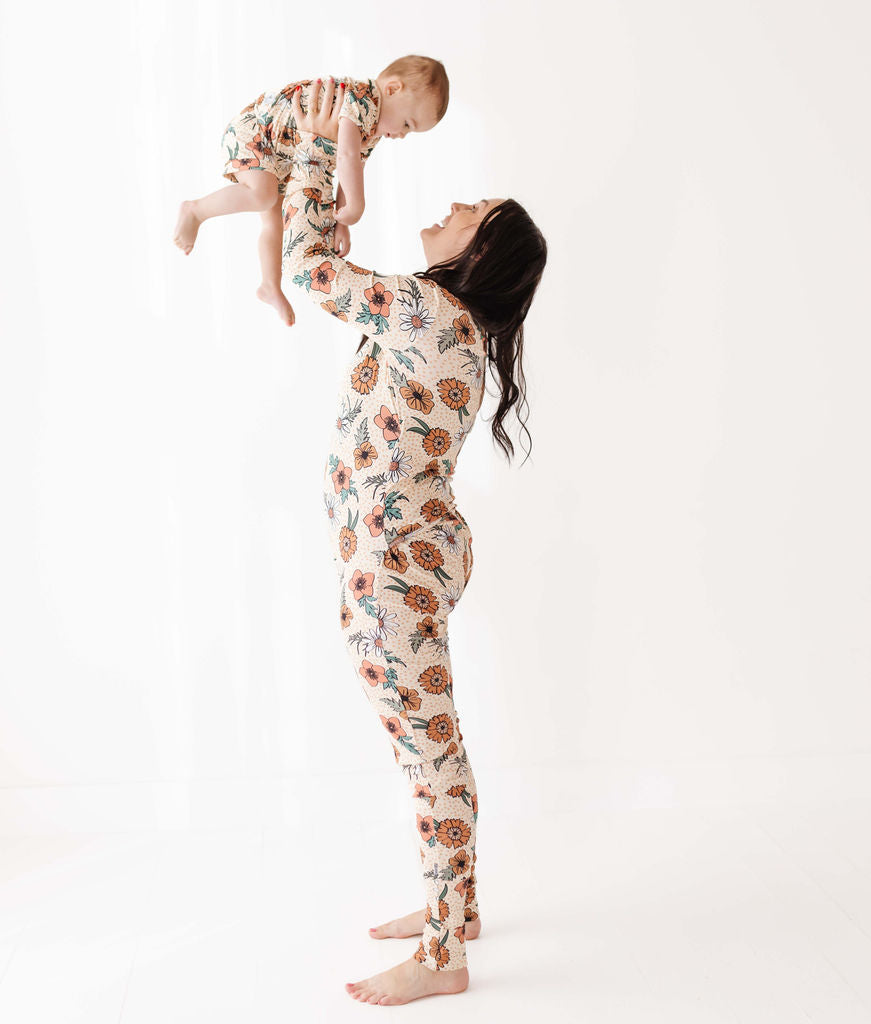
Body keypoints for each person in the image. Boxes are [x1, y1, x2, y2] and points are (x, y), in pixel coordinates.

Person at [284, 80, 547, 1006]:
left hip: (395, 565)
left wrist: (319, 148)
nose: (453, 207)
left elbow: (310, 271)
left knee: (428, 749)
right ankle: (457, 909)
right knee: (427, 741)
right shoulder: (449, 324)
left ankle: (443, 952)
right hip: (408, 554)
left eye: (472, 212)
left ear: (481, 252)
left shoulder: (431, 315)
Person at [172, 56, 449, 327]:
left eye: (410, 132)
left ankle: (270, 285)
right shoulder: (361, 99)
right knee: (263, 195)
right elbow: (347, 157)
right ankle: (195, 210)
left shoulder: (372, 128)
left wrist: (341, 220)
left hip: (283, 153)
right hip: (259, 132)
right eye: (407, 124)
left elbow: (352, 167)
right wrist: (357, 206)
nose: (402, 135)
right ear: (392, 89)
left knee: (275, 221)